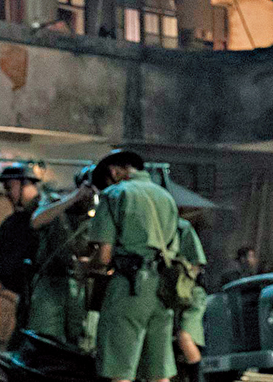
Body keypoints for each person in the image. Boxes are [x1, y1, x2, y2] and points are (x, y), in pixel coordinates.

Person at [88, 149, 179, 382]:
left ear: (113, 172)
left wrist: (87, 266)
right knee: (159, 372)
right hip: (163, 288)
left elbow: (104, 256)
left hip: (129, 287)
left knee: (120, 369)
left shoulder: (114, 194)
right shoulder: (166, 197)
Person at [10, 163, 93, 346]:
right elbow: (37, 220)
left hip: (75, 285)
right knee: (44, 338)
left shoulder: (95, 212)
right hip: (49, 281)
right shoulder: (56, 202)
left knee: (76, 341)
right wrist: (74, 197)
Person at [171, 215, 208, 382]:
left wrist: (184, 281)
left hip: (188, 291)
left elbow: (197, 263)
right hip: (167, 294)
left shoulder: (182, 227)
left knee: (185, 335)